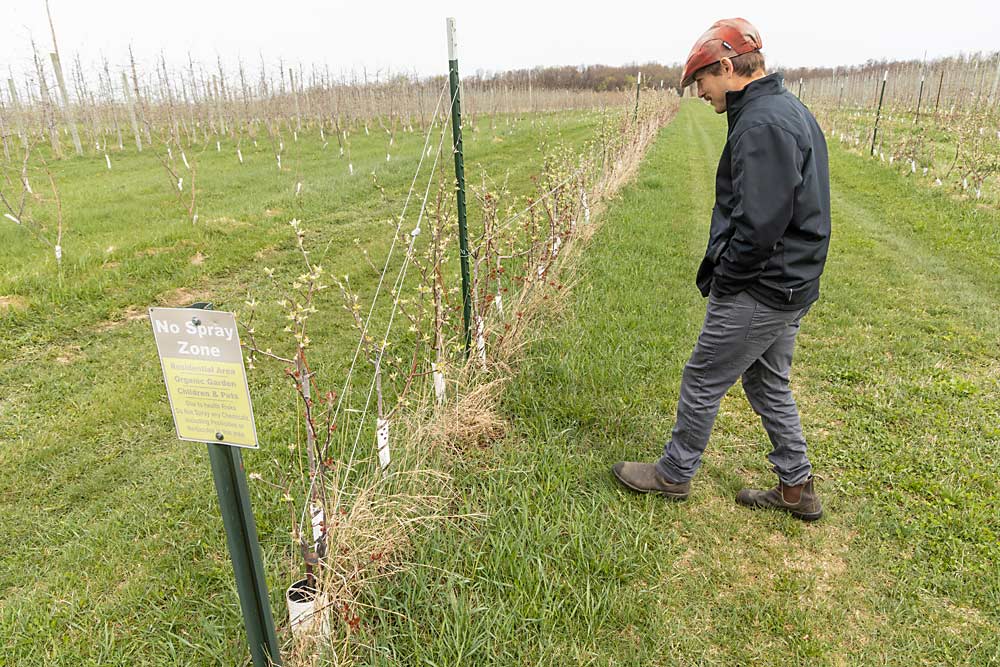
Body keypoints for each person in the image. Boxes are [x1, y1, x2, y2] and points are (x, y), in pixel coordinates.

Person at [611, 18, 831, 521]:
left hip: (764, 285)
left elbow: (758, 225)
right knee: (767, 382)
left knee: (704, 376)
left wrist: (727, 279)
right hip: (791, 283)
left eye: (702, 81)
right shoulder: (786, 110)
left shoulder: (762, 122)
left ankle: (674, 472)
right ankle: (797, 487)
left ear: (728, 67)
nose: (700, 92)